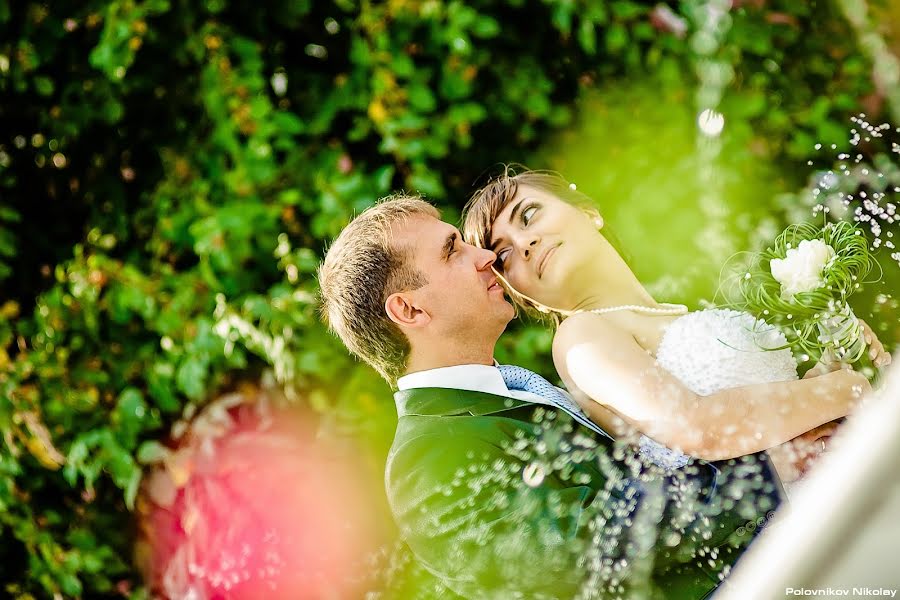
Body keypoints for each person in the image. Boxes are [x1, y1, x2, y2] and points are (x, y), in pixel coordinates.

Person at [318, 194, 789, 599]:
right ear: (409, 308)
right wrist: (769, 469)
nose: (483, 257)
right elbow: (599, 546)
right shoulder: (427, 462)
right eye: (451, 252)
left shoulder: (517, 391)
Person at [461, 167, 891, 478]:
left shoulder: (668, 311)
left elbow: (771, 414)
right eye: (504, 255)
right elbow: (698, 427)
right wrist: (845, 389)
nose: (526, 243)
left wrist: (835, 366)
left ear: (588, 211)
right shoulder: (581, 337)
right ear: (517, 293)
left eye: (529, 215)